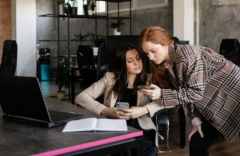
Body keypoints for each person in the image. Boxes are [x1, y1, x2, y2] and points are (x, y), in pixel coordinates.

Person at [138, 26, 240, 156]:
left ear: (165, 44)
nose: (150, 57)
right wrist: (195, 120)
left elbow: (195, 92)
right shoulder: (168, 64)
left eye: (153, 51)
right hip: (215, 102)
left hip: (234, 94)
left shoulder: (186, 56)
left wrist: (162, 94)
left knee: (198, 142)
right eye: (147, 53)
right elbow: (184, 92)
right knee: (197, 141)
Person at [75, 43, 169, 156]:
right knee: (122, 147)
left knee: (135, 147)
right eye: (130, 61)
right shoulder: (110, 78)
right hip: (115, 127)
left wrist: (144, 110)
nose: (137, 63)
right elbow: (81, 98)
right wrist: (106, 110)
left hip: (141, 128)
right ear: (122, 65)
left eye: (138, 58)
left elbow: (168, 99)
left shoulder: (150, 80)